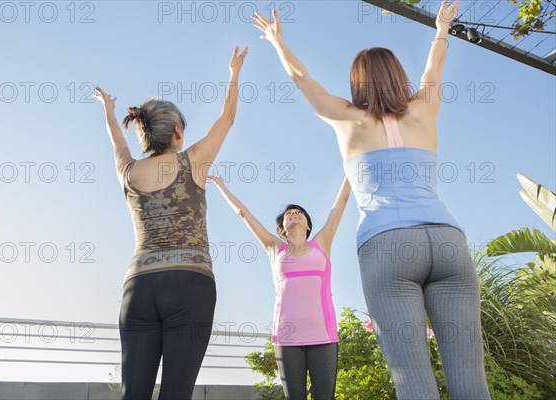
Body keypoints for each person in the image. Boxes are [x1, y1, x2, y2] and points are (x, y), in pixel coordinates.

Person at [251, 1, 491, 399]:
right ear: (398, 77)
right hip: (448, 242)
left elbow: (302, 80)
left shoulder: (346, 117)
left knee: (413, 381)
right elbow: (434, 70)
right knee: (469, 381)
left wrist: (278, 43)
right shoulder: (423, 110)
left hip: (388, 245)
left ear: (357, 83)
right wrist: (441, 29)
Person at [93, 45, 248, 400]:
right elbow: (227, 118)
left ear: (144, 133)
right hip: (188, 282)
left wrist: (109, 111)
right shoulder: (192, 162)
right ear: (177, 132)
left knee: (133, 394)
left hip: (138, 287)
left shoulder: (128, 171)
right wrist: (234, 73)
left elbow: (117, 141)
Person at [209, 175, 351, 399]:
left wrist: (350, 161)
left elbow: (341, 200)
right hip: (287, 337)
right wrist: (221, 185)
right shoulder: (275, 249)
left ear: (307, 224)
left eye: (299, 213)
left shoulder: (322, 243)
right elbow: (243, 213)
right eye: (288, 214)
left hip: (323, 335)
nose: (294, 214)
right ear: (283, 229)